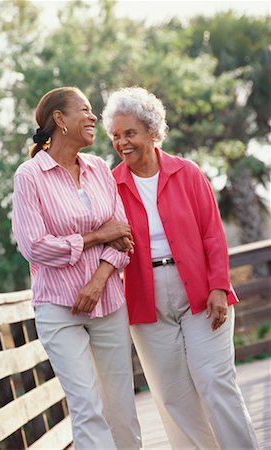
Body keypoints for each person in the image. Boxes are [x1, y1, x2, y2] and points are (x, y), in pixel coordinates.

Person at [102, 86, 259, 450]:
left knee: (214, 381)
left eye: (130, 133)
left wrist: (220, 286)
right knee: (173, 396)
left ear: (152, 132)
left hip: (202, 292)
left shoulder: (186, 172)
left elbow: (213, 235)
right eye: (115, 136)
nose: (122, 142)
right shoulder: (110, 185)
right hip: (146, 296)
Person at [12, 86, 141, 450]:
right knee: (87, 407)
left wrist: (98, 280)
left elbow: (124, 238)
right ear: (59, 120)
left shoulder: (100, 169)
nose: (94, 117)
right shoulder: (29, 176)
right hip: (58, 309)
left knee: (121, 408)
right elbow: (34, 246)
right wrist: (97, 236)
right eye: (84, 110)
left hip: (109, 302)